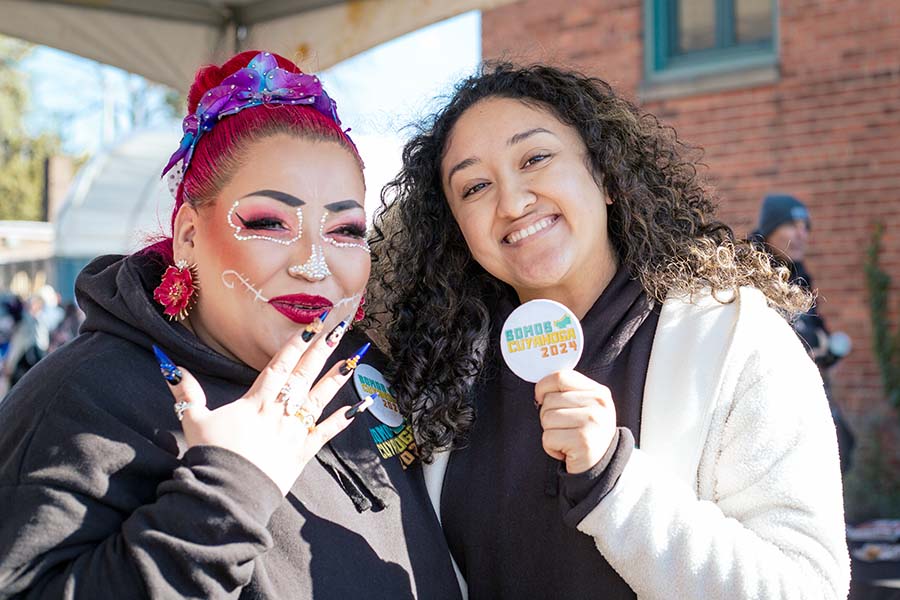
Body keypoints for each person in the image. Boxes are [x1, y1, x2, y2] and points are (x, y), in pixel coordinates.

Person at [371, 63, 850, 598]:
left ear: (605, 176)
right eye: (475, 186)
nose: (511, 203)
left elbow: (807, 587)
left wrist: (615, 483)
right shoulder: (442, 375)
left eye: (535, 158)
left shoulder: (737, 341)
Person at [0, 51, 459, 599]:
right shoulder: (87, 398)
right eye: (269, 222)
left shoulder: (360, 367)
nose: (314, 264)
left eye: (345, 230)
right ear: (188, 236)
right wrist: (226, 493)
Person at [750, 193, 855, 472]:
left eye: (805, 227)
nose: (801, 234)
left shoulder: (799, 277)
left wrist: (826, 350)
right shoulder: (752, 276)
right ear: (770, 229)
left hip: (807, 400)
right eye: (791, 225)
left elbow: (815, 330)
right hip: (770, 411)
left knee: (841, 449)